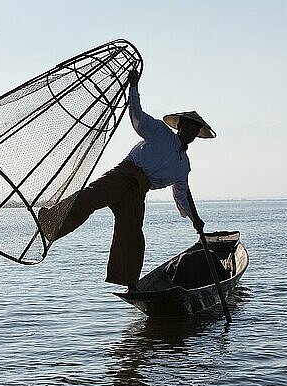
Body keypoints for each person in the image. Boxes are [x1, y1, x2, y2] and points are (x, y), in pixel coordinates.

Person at [38, 70, 216, 290]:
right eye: (187, 126)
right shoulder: (160, 132)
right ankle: (50, 222)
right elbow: (137, 117)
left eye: (194, 129)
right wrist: (133, 87)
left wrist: (194, 219)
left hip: (138, 191)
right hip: (124, 175)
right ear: (179, 126)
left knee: (132, 234)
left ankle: (130, 283)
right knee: (89, 198)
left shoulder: (183, 165)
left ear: (196, 134)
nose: (189, 131)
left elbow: (182, 194)